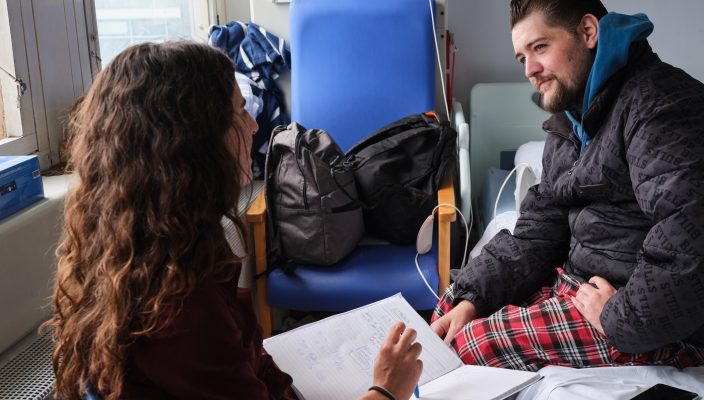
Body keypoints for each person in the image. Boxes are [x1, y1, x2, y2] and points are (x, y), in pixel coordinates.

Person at [45, 42, 422, 400]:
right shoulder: (178, 305)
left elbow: (247, 352)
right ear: (195, 141)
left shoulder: (151, 245)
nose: (254, 126)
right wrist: (386, 390)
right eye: (240, 111)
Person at [431, 0, 704, 370]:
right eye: (522, 58)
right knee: (449, 312)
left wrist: (617, 316)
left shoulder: (666, 111)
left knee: (471, 345)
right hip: (596, 283)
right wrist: (474, 297)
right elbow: (541, 228)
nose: (530, 69)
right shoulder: (573, 117)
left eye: (540, 47)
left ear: (588, 32)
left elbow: (694, 253)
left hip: (689, 320)